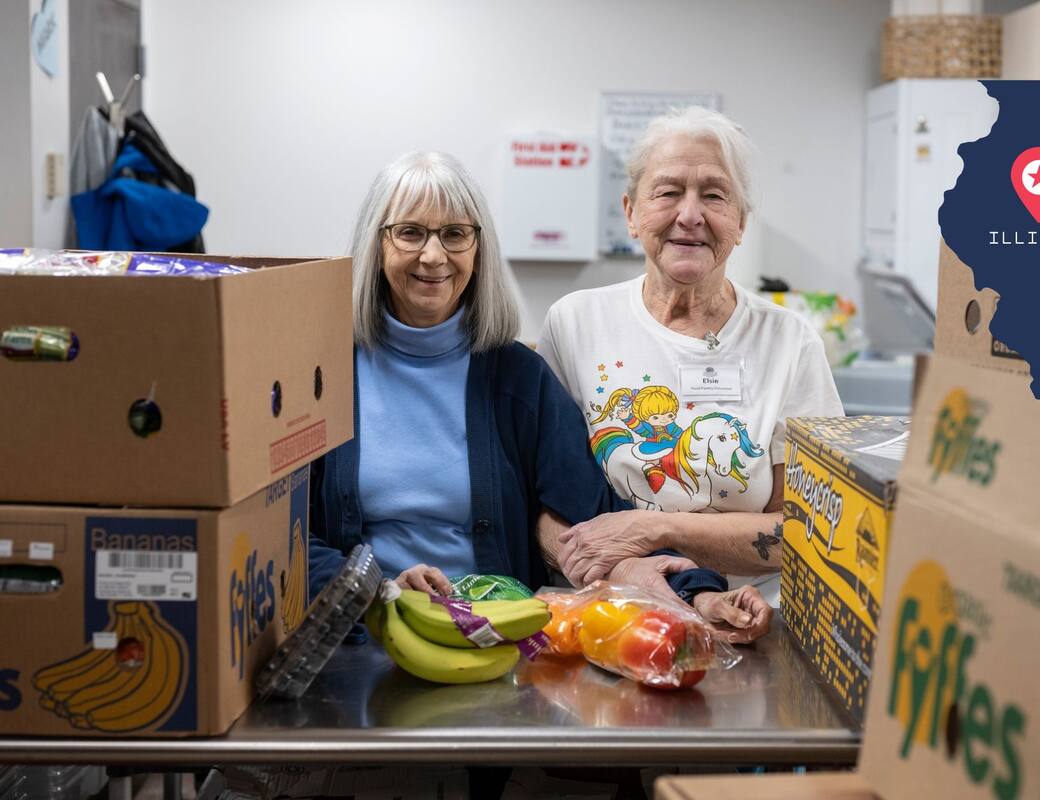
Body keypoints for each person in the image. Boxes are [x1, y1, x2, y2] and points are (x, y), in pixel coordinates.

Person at [306, 151, 760, 638]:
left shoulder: (518, 378)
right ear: (377, 244)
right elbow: (282, 534)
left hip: (497, 645)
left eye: (456, 234)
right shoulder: (319, 375)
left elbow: (595, 511)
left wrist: (700, 591)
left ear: (479, 250)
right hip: (355, 641)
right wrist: (378, 588)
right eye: (410, 232)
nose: (434, 256)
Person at [537, 107, 844, 611]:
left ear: (741, 222)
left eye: (715, 194)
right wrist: (623, 570)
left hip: (744, 620)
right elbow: (543, 500)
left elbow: (808, 528)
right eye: (669, 191)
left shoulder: (789, 342)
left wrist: (653, 526)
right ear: (631, 212)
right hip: (602, 617)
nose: (690, 214)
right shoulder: (574, 323)